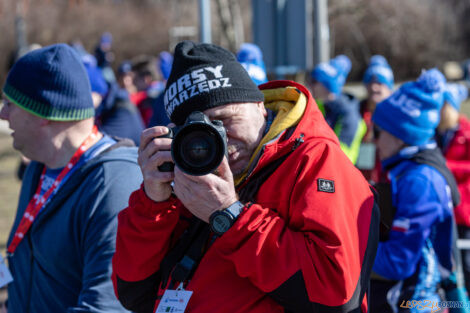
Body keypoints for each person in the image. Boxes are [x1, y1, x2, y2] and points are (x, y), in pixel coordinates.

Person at [112, 40, 380, 313]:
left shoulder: (315, 160)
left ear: (259, 105)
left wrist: (230, 215)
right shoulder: (188, 173)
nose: (221, 141)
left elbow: (338, 293)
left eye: (224, 121)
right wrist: (154, 203)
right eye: (198, 133)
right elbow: (133, 293)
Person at [1, 43, 142, 312]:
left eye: (10, 104)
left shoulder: (114, 184)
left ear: (43, 112)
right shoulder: (40, 166)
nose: (3, 115)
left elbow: (103, 308)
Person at [370, 69, 459, 312]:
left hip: (416, 303)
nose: (373, 140)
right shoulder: (408, 171)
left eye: (378, 132)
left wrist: (341, 249)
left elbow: (398, 262)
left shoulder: (420, 181)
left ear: (401, 136)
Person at [437, 83, 470, 292]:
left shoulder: (466, 133)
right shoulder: (434, 132)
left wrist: (446, 167)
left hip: (463, 209)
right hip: (442, 208)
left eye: (444, 105)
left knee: (466, 264)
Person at [309, 55, 367, 165]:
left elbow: (341, 156)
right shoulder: (319, 106)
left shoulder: (348, 114)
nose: (310, 85)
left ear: (326, 85)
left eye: (314, 81)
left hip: (338, 174)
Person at [358, 55, 394, 182]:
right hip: (361, 179)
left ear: (389, 88)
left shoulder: (397, 115)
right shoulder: (357, 111)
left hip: (388, 181)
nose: (374, 87)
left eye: (379, 83)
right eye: (370, 83)